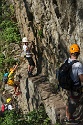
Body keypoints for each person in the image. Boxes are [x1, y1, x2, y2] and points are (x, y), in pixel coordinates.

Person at [61, 44, 83, 123]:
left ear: (70, 53)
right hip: (75, 87)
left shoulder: (66, 61)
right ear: (78, 53)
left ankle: (67, 116)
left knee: (69, 101)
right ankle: (69, 119)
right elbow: (81, 78)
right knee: (73, 103)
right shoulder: (78, 65)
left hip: (67, 86)